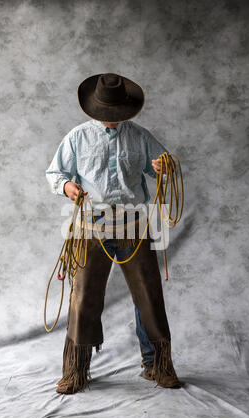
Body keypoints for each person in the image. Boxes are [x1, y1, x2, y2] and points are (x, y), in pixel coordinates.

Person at [46, 73, 181, 394]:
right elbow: (55, 172)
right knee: (84, 295)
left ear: (126, 109)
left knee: (147, 293)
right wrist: (67, 186)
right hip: (91, 224)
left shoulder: (140, 136)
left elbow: (160, 165)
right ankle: (76, 371)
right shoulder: (76, 138)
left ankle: (156, 365)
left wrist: (165, 166)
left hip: (134, 224)